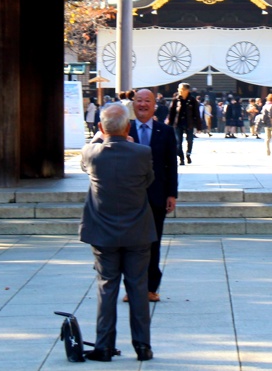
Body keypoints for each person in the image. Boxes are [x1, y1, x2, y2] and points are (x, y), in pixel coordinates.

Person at [79, 103, 156, 362]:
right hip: (137, 231)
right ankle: (143, 346)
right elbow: (147, 181)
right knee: (137, 288)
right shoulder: (142, 152)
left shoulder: (91, 154)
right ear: (129, 127)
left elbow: (83, 164)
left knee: (106, 287)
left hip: (103, 233)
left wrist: (99, 137)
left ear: (100, 127)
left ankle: (103, 346)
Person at [128, 89, 178, 303]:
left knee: (153, 242)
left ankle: (150, 287)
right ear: (133, 103)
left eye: (147, 101)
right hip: (130, 198)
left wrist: (172, 194)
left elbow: (171, 166)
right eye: (139, 100)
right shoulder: (124, 129)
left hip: (157, 196)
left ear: (154, 104)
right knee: (130, 245)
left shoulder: (165, 131)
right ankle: (131, 288)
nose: (142, 104)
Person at [166, 82, 201, 165]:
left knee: (190, 140)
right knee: (178, 142)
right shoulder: (176, 100)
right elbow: (171, 113)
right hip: (178, 123)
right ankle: (181, 158)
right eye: (179, 89)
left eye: (181, 89)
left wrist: (199, 126)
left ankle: (188, 154)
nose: (179, 91)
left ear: (187, 90)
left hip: (189, 123)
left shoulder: (193, 100)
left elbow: (197, 113)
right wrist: (169, 125)